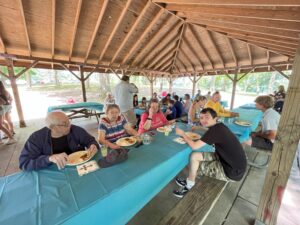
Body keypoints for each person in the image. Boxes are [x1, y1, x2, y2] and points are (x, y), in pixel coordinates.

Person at [174, 108, 247, 198]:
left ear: (215, 118)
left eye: (207, 117)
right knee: (195, 156)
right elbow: (212, 133)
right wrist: (200, 127)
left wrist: (183, 134)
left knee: (197, 166)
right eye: (201, 118)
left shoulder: (215, 131)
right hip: (231, 161)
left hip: (231, 171)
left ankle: (189, 186)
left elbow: (194, 146)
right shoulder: (220, 126)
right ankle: (190, 180)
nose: (203, 120)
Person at [19, 111, 99, 171]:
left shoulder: (76, 130)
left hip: (79, 169)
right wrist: (48, 159)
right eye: (65, 124)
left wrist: (93, 145)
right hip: (52, 173)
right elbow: (24, 163)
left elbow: (90, 141)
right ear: (52, 127)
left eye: (69, 121)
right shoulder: (37, 138)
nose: (69, 126)